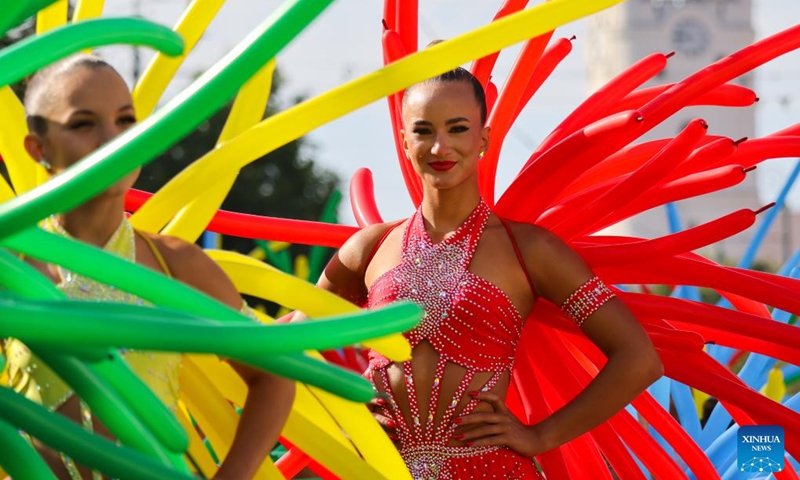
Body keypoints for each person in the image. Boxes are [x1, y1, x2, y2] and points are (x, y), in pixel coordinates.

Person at [316, 66, 664, 479]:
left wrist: (540, 437)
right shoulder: (368, 248)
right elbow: (288, 342)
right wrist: (339, 411)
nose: (440, 146)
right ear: (405, 140)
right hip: (377, 469)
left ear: (483, 139)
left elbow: (639, 360)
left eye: (458, 129)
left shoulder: (530, 250)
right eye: (424, 130)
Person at [5, 53, 295, 480]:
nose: (113, 140)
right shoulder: (11, 265)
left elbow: (273, 375)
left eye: (125, 121)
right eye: (84, 124)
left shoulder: (175, 265)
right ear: (38, 147)